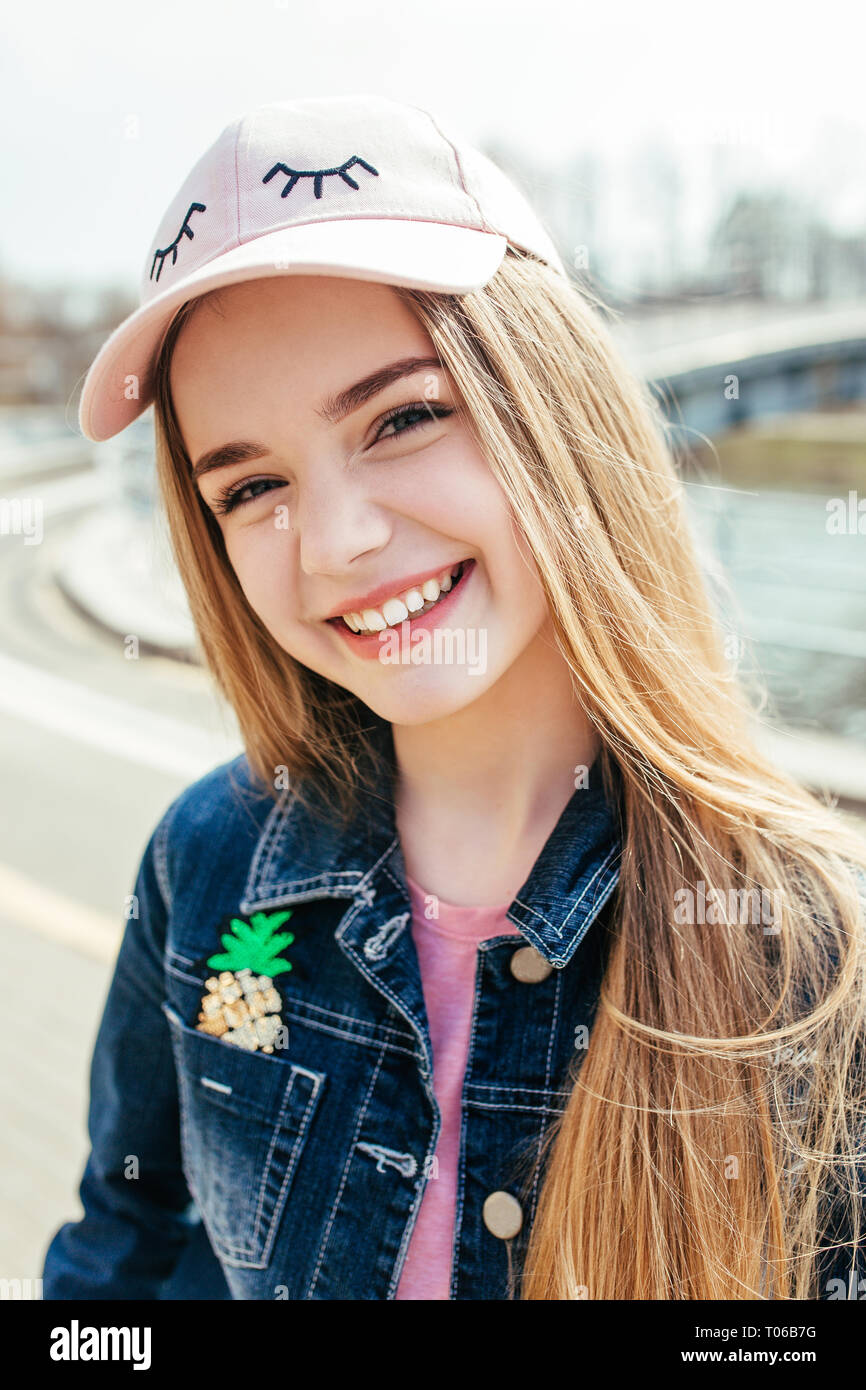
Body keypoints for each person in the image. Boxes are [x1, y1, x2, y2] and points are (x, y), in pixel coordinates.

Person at [43, 93, 866, 1301]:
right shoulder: (207, 866)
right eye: (252, 486)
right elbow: (124, 1250)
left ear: (553, 408)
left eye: (404, 416)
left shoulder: (811, 957)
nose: (333, 540)